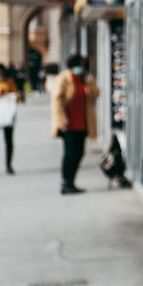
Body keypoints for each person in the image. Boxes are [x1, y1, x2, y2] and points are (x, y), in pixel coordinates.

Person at [50, 54, 100, 194]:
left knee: (79, 153)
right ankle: (66, 183)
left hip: (82, 123)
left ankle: (71, 182)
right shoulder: (64, 78)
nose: (81, 68)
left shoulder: (84, 80)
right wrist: (61, 121)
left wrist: (90, 80)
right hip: (68, 124)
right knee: (70, 154)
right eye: (79, 65)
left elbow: (96, 94)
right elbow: (56, 100)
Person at [0, 63, 20, 175]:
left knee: (9, 142)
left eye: (1, 72)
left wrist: (8, 93)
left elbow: (16, 96)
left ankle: (8, 165)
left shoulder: (9, 81)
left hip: (7, 115)